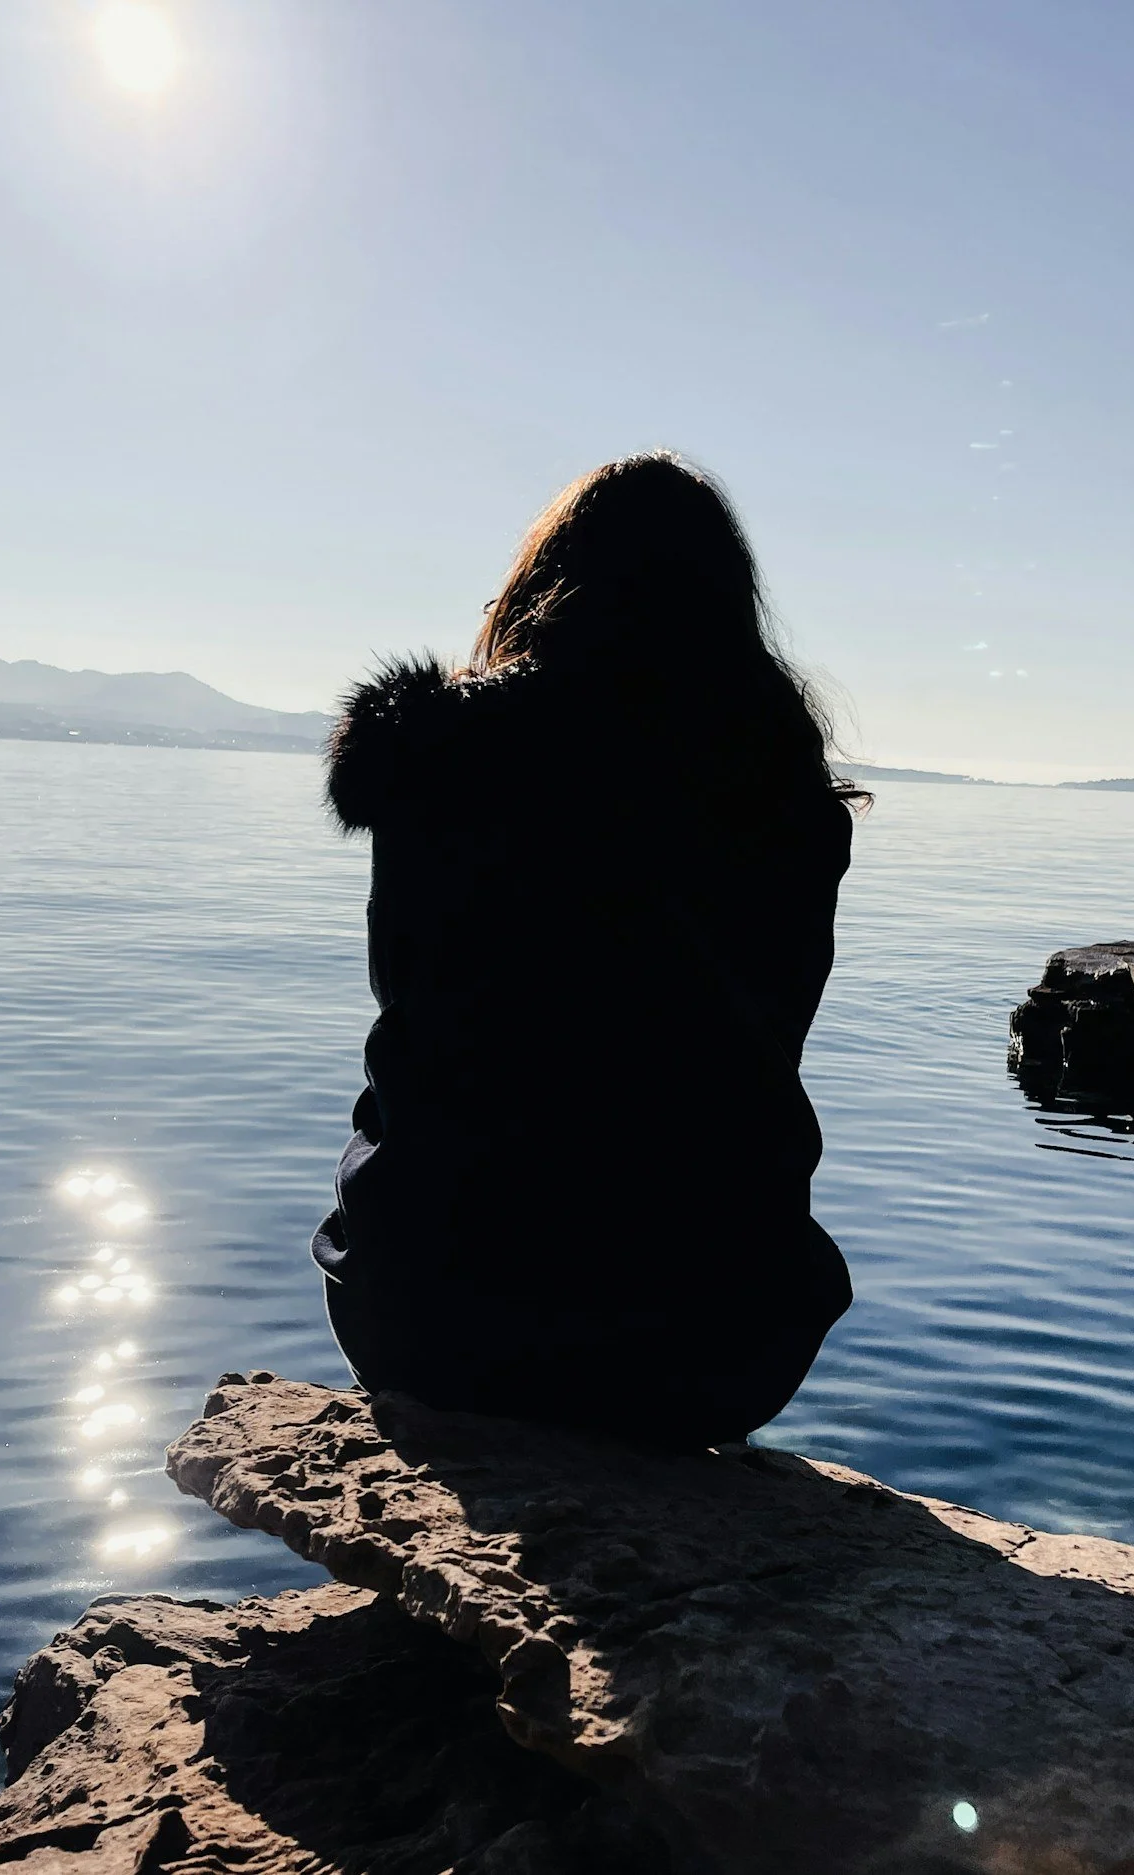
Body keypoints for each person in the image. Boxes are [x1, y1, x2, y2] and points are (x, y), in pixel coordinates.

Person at [312, 454, 865, 1450]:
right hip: (718, 1345)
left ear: (536, 591)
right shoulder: (779, 797)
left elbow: (412, 1007)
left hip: (434, 1321)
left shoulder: (439, 757)